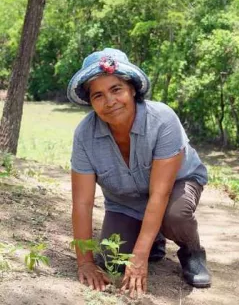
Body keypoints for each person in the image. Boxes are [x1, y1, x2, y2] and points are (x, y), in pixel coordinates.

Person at [67, 48, 211, 298]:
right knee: (113, 256)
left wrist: (139, 259)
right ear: (90, 102)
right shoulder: (84, 135)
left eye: (116, 89)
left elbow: (160, 193)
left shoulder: (162, 120)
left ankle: (192, 251)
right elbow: (82, 203)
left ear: (132, 89)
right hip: (126, 201)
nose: (109, 101)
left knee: (174, 215)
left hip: (175, 186)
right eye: (98, 95)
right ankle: (153, 241)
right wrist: (85, 262)